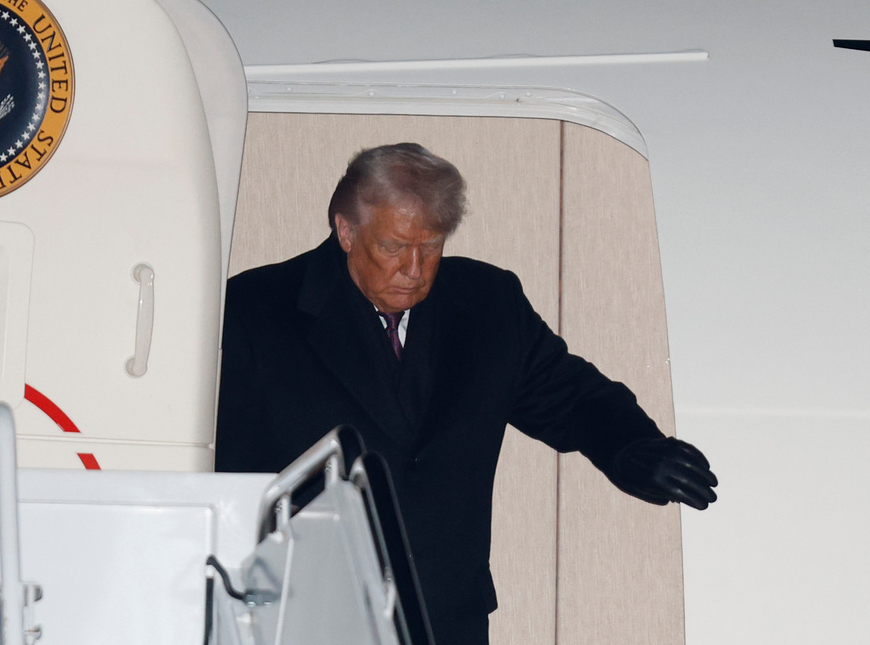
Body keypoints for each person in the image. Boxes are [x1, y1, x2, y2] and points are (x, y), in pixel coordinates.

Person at [215, 142, 717, 645]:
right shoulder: (255, 311)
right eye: (393, 247)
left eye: (431, 246)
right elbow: (217, 468)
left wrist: (633, 448)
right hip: (303, 616)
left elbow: (573, 397)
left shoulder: (488, 305)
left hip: (445, 615)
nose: (414, 268)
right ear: (346, 231)